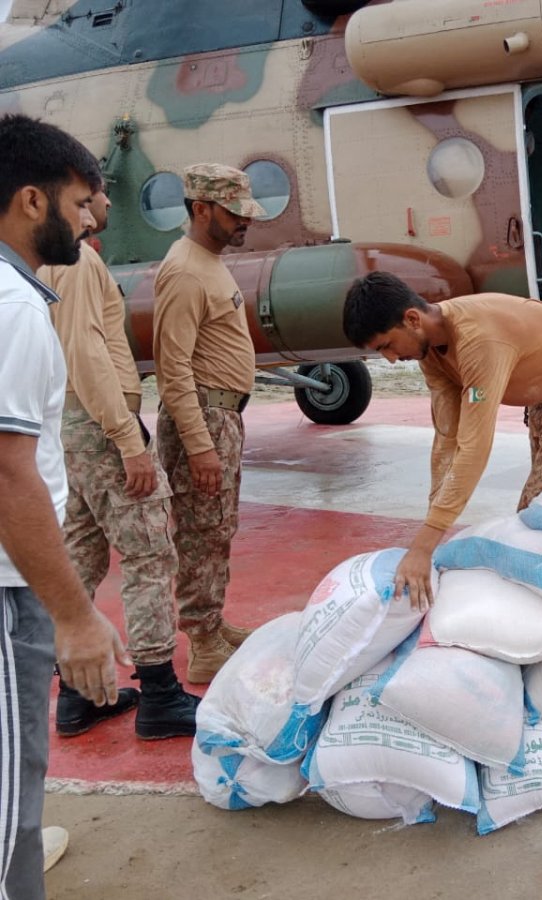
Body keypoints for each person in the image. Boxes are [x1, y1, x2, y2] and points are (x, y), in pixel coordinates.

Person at [0, 112, 129, 900]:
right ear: (29, 201)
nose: (89, 221)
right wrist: (76, 616)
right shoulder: (14, 310)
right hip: (8, 592)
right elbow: (9, 476)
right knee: (14, 789)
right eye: (80, 203)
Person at [343, 275, 542, 610]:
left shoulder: (479, 341)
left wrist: (424, 546)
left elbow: (474, 447)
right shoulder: (429, 351)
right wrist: (431, 529)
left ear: (412, 320)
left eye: (386, 345)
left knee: (541, 511)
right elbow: (448, 437)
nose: (389, 358)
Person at [40, 186, 199, 739]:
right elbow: (87, 351)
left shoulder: (47, 260)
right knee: (149, 555)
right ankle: (160, 693)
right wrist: (128, 439)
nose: (104, 203)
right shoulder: (80, 259)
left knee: (80, 553)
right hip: (100, 423)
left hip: (67, 424)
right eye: (94, 194)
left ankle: (77, 694)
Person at [152, 163, 265, 684]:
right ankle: (201, 643)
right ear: (201, 209)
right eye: (234, 213)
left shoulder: (208, 261)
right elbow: (172, 368)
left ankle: (211, 624)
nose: (245, 223)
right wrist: (199, 447)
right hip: (203, 416)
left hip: (221, 416)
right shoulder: (185, 270)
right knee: (200, 531)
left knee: (216, 529)